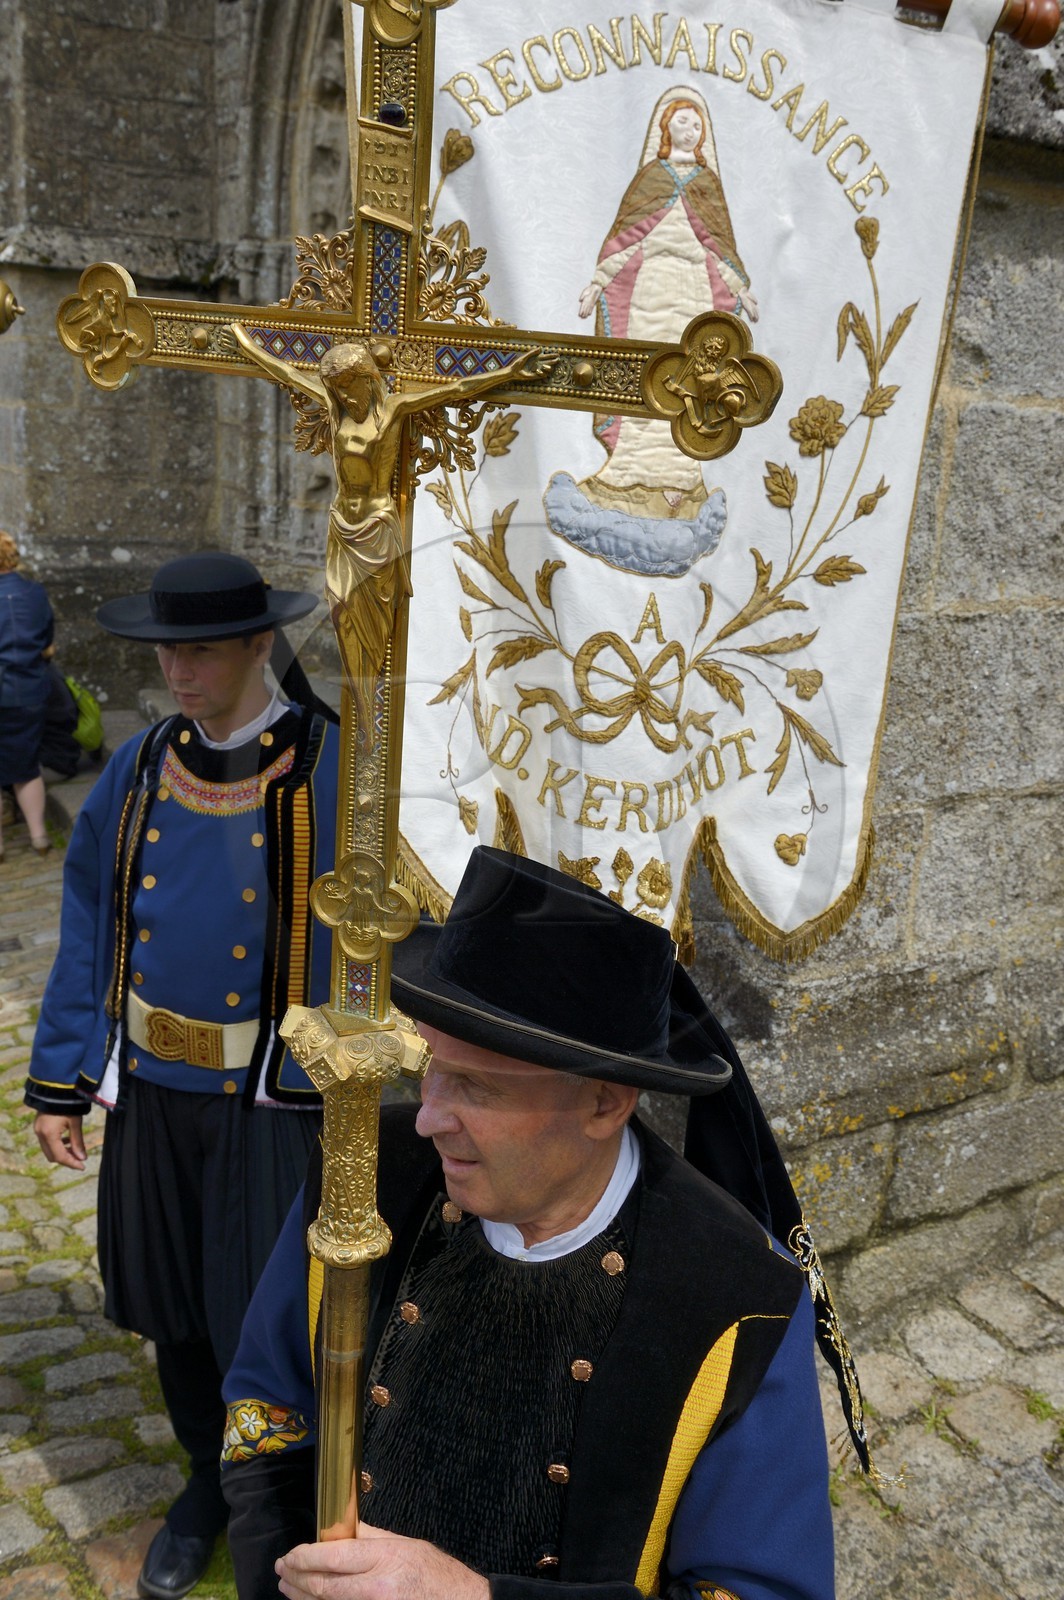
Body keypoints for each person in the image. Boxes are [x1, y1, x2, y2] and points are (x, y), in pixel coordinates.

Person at [220, 847, 845, 1600]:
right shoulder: (364, 1170)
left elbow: (754, 1592)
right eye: (429, 1067)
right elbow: (267, 1411)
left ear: (605, 1103)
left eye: (475, 1088)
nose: (426, 1118)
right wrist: (284, 1578)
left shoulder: (737, 1296)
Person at [25, 551, 341, 1600]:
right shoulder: (143, 761)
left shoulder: (332, 765)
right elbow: (89, 916)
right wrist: (63, 1073)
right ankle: (205, 1482)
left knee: (261, 1306)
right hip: (155, 1090)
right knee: (172, 1305)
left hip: (269, 1099)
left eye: (201, 649)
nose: (179, 672)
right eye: (168, 651)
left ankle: (272, 1496)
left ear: (260, 643)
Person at [231, 328, 544, 721]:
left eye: (348, 387)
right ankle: (362, 706)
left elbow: (456, 389)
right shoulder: (333, 409)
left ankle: (369, 711)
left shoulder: (394, 410)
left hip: (377, 529)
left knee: (377, 622)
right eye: (337, 389)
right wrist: (246, 345)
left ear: (367, 379)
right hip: (342, 526)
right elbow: (289, 374)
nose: (343, 396)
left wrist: (510, 371)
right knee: (341, 610)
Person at [576, 87, 757, 523]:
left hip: (691, 295)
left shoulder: (706, 183)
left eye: (697, 124)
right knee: (647, 376)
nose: (690, 130)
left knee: (692, 383)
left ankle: (682, 478)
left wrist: (742, 288)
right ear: (664, 127)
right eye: (682, 121)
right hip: (650, 288)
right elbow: (625, 240)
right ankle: (623, 473)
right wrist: (597, 283)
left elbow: (718, 247)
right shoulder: (651, 179)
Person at [0, 530, 56, 860]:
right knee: (26, 767)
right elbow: (47, 638)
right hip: (30, 689)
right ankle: (39, 837)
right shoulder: (35, 592)